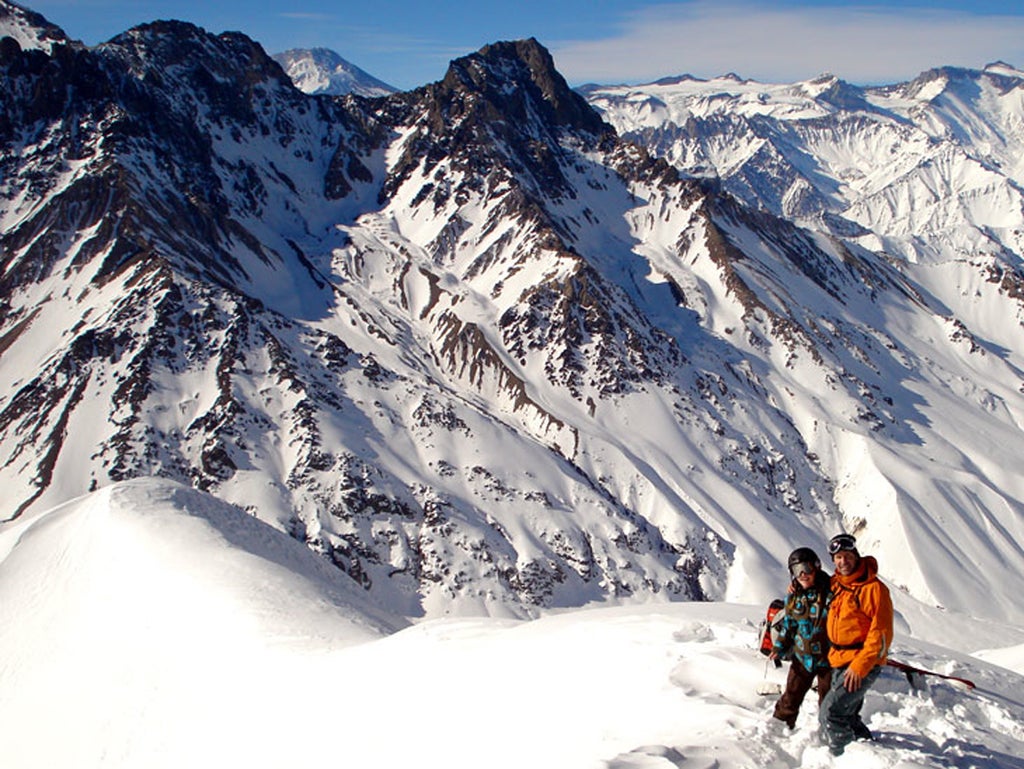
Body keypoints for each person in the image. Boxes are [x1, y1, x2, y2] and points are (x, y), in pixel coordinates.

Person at [819, 533, 894, 756]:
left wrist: (860, 667)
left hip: (862, 663)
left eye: (847, 556)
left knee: (830, 713)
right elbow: (811, 588)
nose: (843, 561)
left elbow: (881, 634)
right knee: (848, 715)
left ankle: (841, 756)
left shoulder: (874, 589)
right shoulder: (836, 585)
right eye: (838, 557)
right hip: (839, 659)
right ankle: (868, 751)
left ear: (856, 555)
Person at [769, 547, 833, 729]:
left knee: (828, 702)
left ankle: (828, 733)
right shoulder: (794, 598)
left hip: (829, 660)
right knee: (790, 698)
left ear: (817, 567)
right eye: (797, 570)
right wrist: (779, 647)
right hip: (802, 657)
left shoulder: (831, 592)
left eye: (806, 568)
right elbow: (789, 625)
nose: (803, 575)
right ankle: (777, 730)